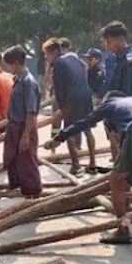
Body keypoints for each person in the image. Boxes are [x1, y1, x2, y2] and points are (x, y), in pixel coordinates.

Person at [44, 92, 132, 244]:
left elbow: (84, 122)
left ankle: (123, 230)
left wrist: (59, 137)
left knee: (115, 179)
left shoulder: (110, 105)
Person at [43, 37, 98, 175]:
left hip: (72, 99)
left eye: (46, 54)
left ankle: (75, 165)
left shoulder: (58, 63)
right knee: (87, 129)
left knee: (68, 131)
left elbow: (59, 89)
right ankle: (92, 163)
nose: (46, 57)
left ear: (52, 52)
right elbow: (84, 68)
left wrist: (62, 108)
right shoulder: (73, 57)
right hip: (85, 95)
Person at [100, 21, 132, 162]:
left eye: (109, 42)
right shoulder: (119, 60)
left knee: (130, 164)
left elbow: (129, 100)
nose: (108, 46)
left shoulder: (130, 63)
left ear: (120, 39)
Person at [1, 45, 43, 199]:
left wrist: (25, 135)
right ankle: (26, 194)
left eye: (9, 64)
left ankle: (34, 196)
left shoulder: (28, 82)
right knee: (16, 162)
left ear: (17, 62)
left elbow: (31, 112)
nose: (7, 67)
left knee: (27, 164)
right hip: (14, 127)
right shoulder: (18, 80)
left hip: (24, 128)